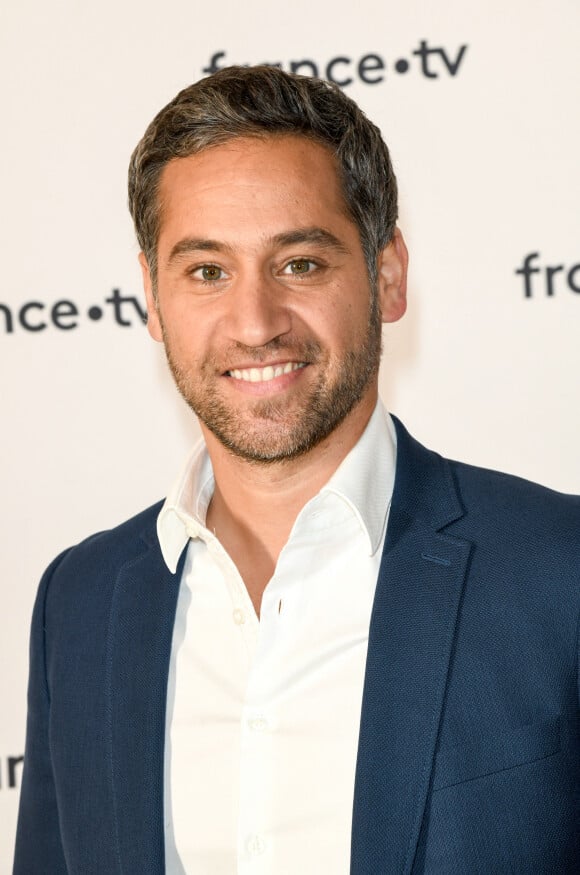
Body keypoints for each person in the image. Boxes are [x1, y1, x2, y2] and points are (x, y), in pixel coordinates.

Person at [13, 65, 579, 875]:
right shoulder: (80, 600)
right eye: (207, 271)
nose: (255, 323)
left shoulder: (561, 570)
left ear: (386, 275)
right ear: (151, 295)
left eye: (301, 264)